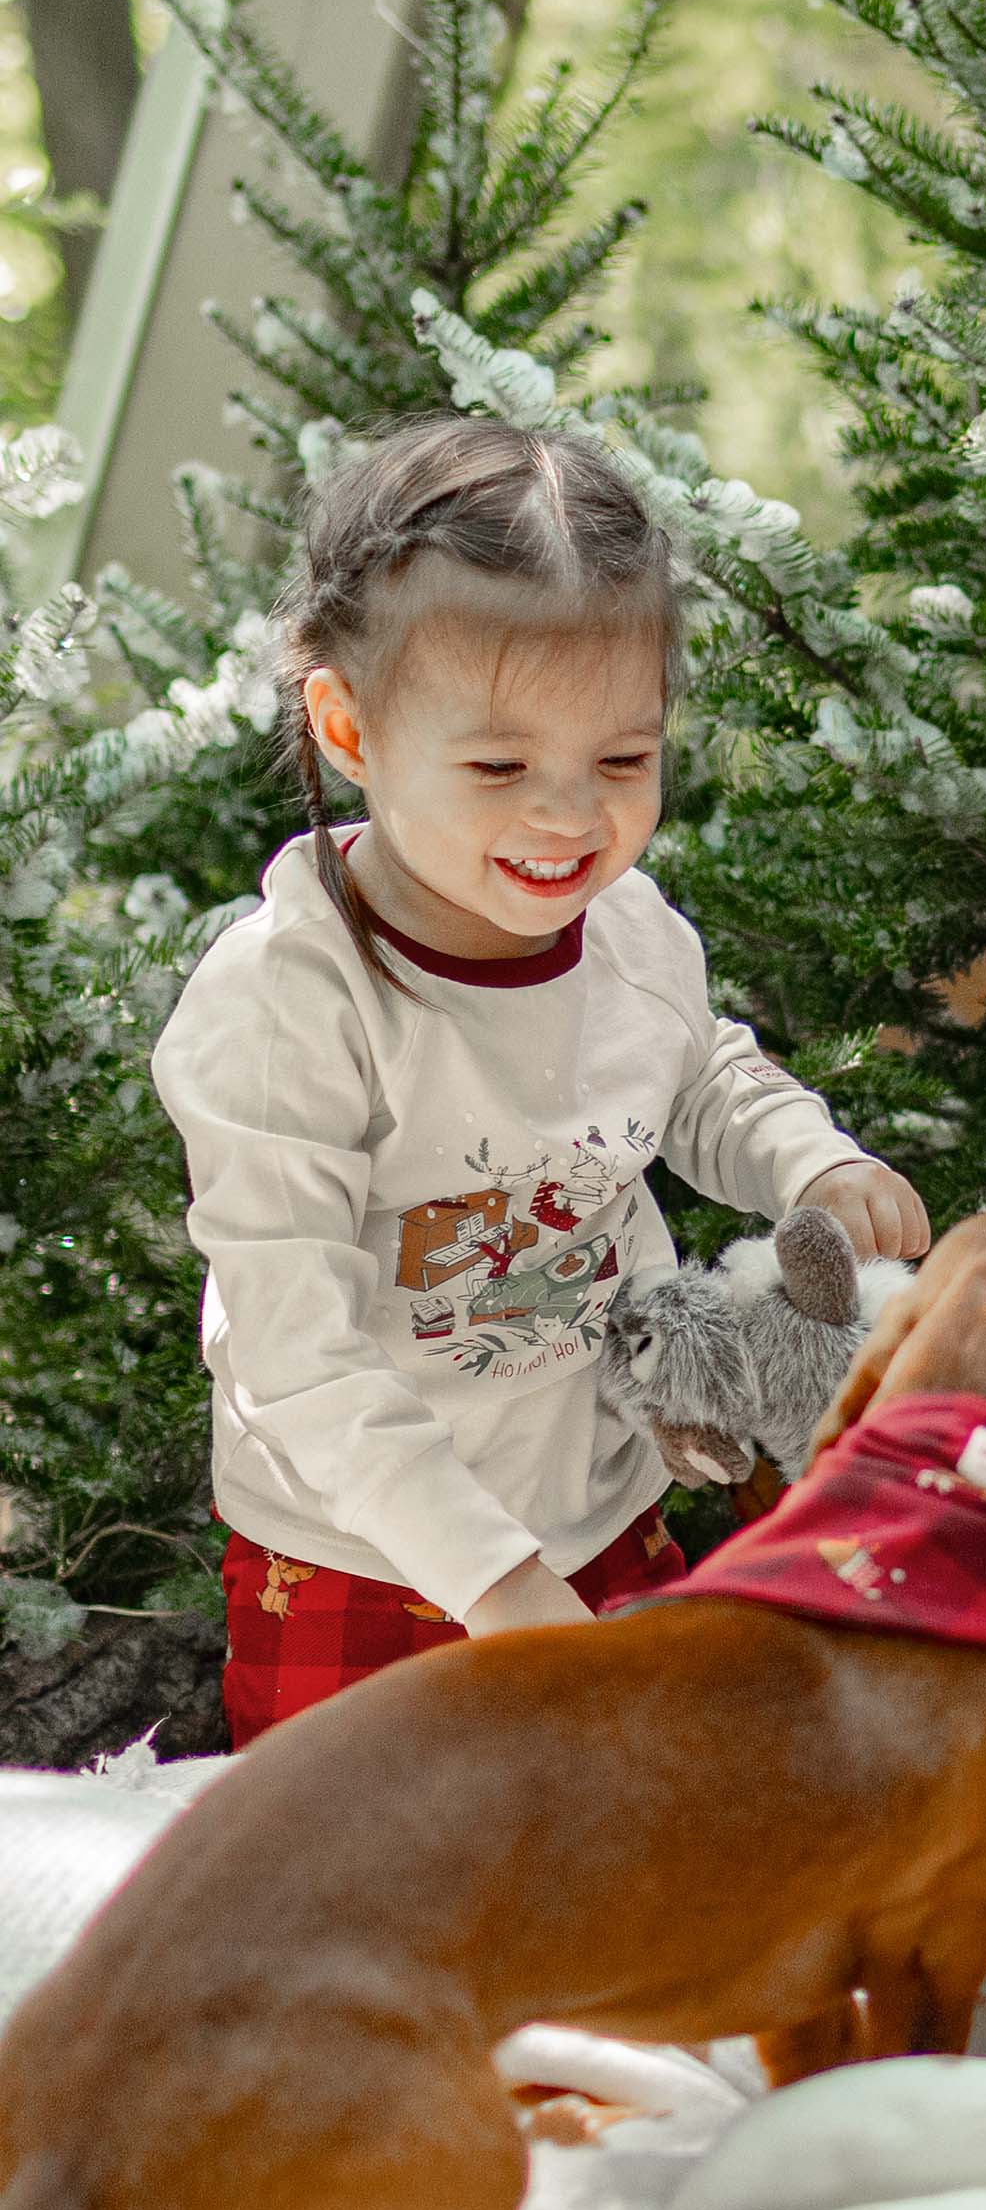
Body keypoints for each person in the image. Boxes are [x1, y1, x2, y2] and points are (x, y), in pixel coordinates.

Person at [153, 416, 928, 1746]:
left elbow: (697, 1080)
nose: (569, 817)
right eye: (501, 766)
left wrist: (814, 1161)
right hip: (358, 1554)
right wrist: (496, 1585)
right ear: (350, 724)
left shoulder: (628, 935)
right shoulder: (291, 1001)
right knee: (363, 1890)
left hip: (600, 1510)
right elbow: (299, 1357)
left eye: (622, 760)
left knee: (622, 1834)